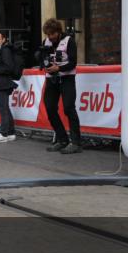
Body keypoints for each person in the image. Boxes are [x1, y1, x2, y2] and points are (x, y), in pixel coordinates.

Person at [41, 18, 81, 154]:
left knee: (69, 108)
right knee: (50, 107)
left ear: (58, 32)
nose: (49, 37)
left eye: (52, 34)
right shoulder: (46, 42)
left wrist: (58, 68)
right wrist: (43, 62)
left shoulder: (69, 40)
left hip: (67, 78)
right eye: (47, 34)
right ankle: (62, 139)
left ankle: (76, 142)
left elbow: (73, 62)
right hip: (51, 79)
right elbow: (43, 59)